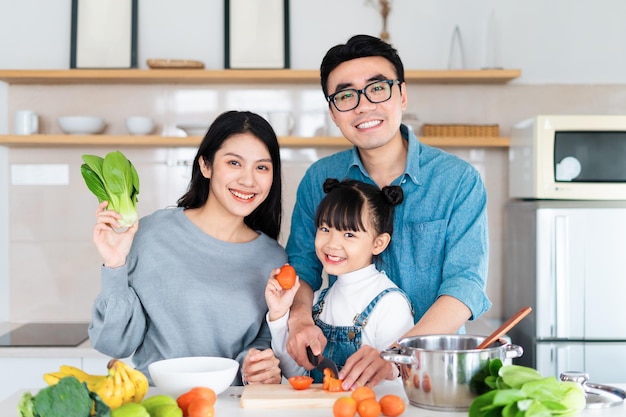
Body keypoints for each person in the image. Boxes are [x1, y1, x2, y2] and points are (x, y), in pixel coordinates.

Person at [285, 34, 492, 389]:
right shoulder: (319, 178)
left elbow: (465, 286)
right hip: (344, 380)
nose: (364, 106)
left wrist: (395, 353)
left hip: (435, 375)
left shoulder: (457, 180)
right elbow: (302, 265)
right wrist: (300, 318)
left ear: (402, 94)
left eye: (377, 88)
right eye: (346, 95)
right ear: (334, 111)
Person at [88, 110, 287, 385]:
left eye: (262, 167)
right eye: (234, 163)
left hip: (230, 404)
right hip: (158, 403)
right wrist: (115, 265)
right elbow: (114, 344)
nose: (249, 180)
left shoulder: (274, 258)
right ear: (206, 165)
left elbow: (263, 344)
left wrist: (259, 366)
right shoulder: (150, 234)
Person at [265, 178, 414, 381]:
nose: (332, 244)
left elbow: (398, 383)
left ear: (378, 243)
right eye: (325, 229)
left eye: (349, 234)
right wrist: (279, 314)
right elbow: (297, 375)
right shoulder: (318, 301)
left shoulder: (390, 304)